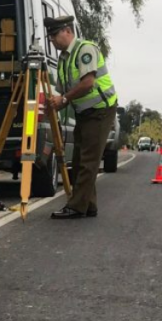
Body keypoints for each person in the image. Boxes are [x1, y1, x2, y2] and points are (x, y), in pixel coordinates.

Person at [44, 16, 119, 220]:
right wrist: (55, 100)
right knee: (77, 161)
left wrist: (64, 99)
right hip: (84, 113)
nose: (52, 40)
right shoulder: (63, 59)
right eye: (49, 36)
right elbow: (62, 91)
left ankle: (76, 207)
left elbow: (87, 83)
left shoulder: (85, 50)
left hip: (100, 109)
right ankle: (89, 205)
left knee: (88, 161)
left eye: (54, 35)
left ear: (67, 31)